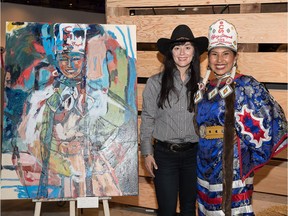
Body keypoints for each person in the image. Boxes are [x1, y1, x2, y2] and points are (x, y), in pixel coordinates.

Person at [194, 19, 288, 216]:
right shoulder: (206, 88)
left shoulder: (246, 86)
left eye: (226, 53)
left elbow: (273, 121)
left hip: (231, 165)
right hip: (204, 163)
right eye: (214, 54)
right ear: (208, 58)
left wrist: (246, 157)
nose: (220, 59)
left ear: (235, 57)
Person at [140, 24, 208, 216]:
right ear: (170, 53)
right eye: (177, 48)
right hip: (164, 156)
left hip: (193, 156)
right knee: (167, 210)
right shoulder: (155, 83)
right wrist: (146, 153)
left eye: (187, 47)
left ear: (194, 52)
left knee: (188, 209)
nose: (182, 53)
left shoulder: (203, 85)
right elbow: (147, 117)